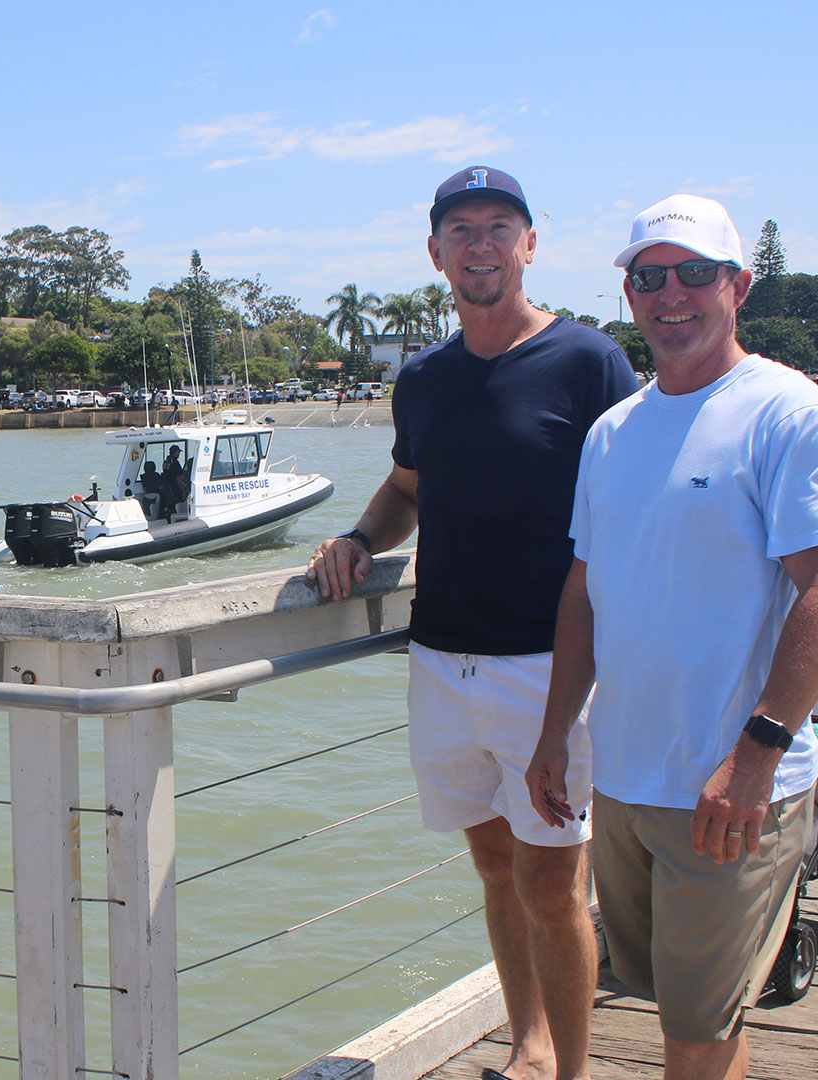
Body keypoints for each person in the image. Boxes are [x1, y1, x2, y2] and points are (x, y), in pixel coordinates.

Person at [307, 165, 638, 1080]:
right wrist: (356, 538)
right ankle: (528, 1048)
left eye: (499, 227)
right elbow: (407, 487)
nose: (480, 244)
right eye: (461, 229)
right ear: (435, 252)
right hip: (442, 658)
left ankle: (571, 1071)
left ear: (530, 245)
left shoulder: (590, 360)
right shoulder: (423, 378)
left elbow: (633, 498)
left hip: (552, 663)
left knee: (553, 880)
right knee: (495, 863)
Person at [527, 194, 818, 1080]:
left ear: (738, 285)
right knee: (685, 1010)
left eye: (694, 273)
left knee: (695, 1033)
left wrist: (756, 755)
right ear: (628, 294)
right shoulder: (612, 433)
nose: (670, 294)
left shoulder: (790, 415)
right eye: (649, 277)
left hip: (731, 789)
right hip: (626, 780)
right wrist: (557, 732)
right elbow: (585, 591)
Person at [160, 444, 190, 520]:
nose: (179, 454)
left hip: (168, 489)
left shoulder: (166, 462)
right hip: (175, 489)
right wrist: (183, 490)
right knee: (178, 504)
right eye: (178, 452)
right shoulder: (175, 463)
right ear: (174, 452)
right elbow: (178, 477)